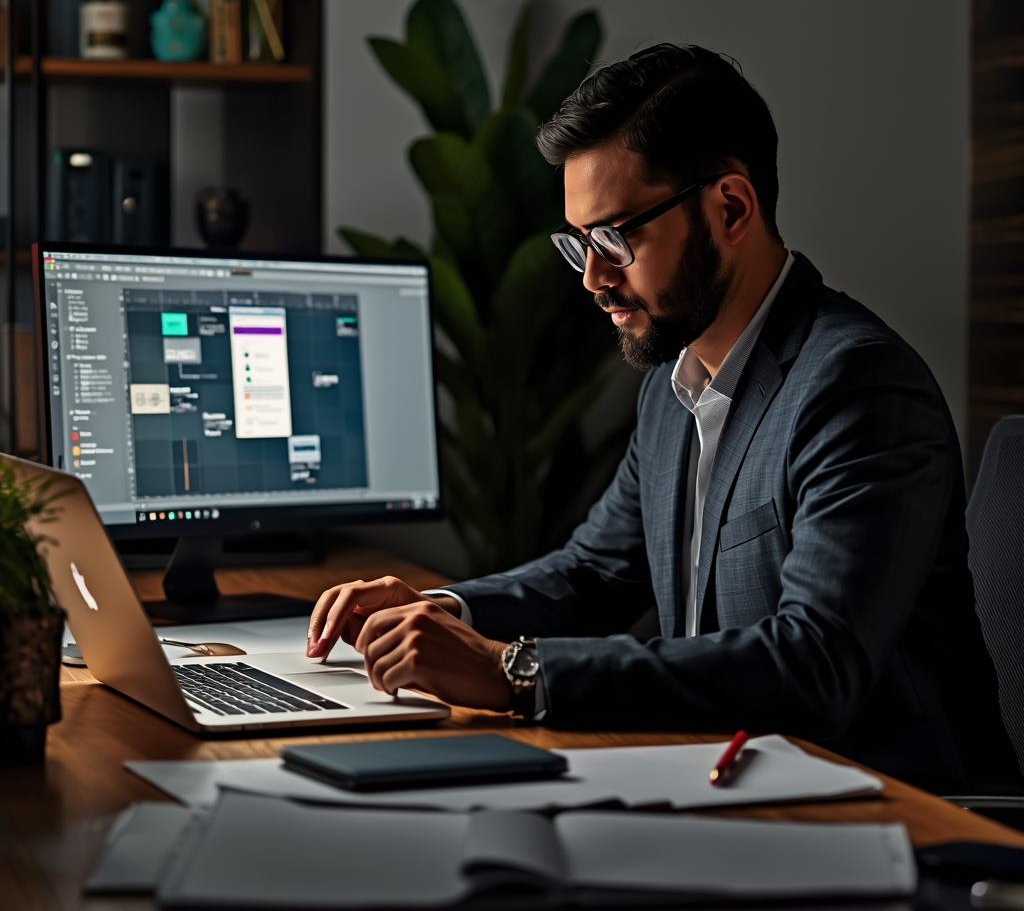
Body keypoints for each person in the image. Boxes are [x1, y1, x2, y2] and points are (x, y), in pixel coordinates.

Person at [308, 44, 1018, 792]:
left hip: (900, 813)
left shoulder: (858, 385)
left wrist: (511, 670)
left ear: (731, 208)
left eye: (616, 237)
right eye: (579, 243)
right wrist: (439, 609)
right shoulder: (673, 381)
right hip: (733, 784)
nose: (593, 277)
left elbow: (815, 664)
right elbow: (595, 574)